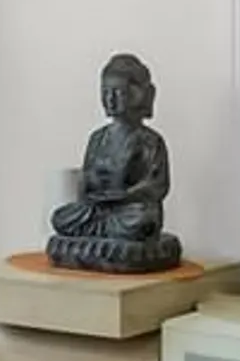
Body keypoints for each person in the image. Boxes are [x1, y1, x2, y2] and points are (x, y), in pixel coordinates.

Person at [46, 53, 181, 272]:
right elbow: (87, 184)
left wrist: (127, 195)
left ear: (137, 96)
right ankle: (104, 237)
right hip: (99, 211)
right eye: (105, 93)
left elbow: (157, 186)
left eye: (118, 93)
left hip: (129, 212)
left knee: (140, 220)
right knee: (61, 218)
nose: (110, 100)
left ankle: (108, 238)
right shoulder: (97, 138)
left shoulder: (149, 140)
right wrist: (93, 190)